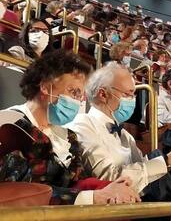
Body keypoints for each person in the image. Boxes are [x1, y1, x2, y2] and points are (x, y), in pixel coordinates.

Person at [0, 50, 139, 205]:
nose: (77, 102)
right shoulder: (8, 124)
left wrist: (109, 187)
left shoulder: (69, 136)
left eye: (80, 96)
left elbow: (78, 183)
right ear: (45, 87)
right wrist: (91, 197)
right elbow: (15, 192)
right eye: (74, 92)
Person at [67, 62, 171, 194]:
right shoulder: (82, 125)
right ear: (103, 94)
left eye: (133, 95)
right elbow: (110, 180)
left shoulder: (125, 135)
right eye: (127, 95)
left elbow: (145, 178)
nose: (132, 100)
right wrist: (169, 159)